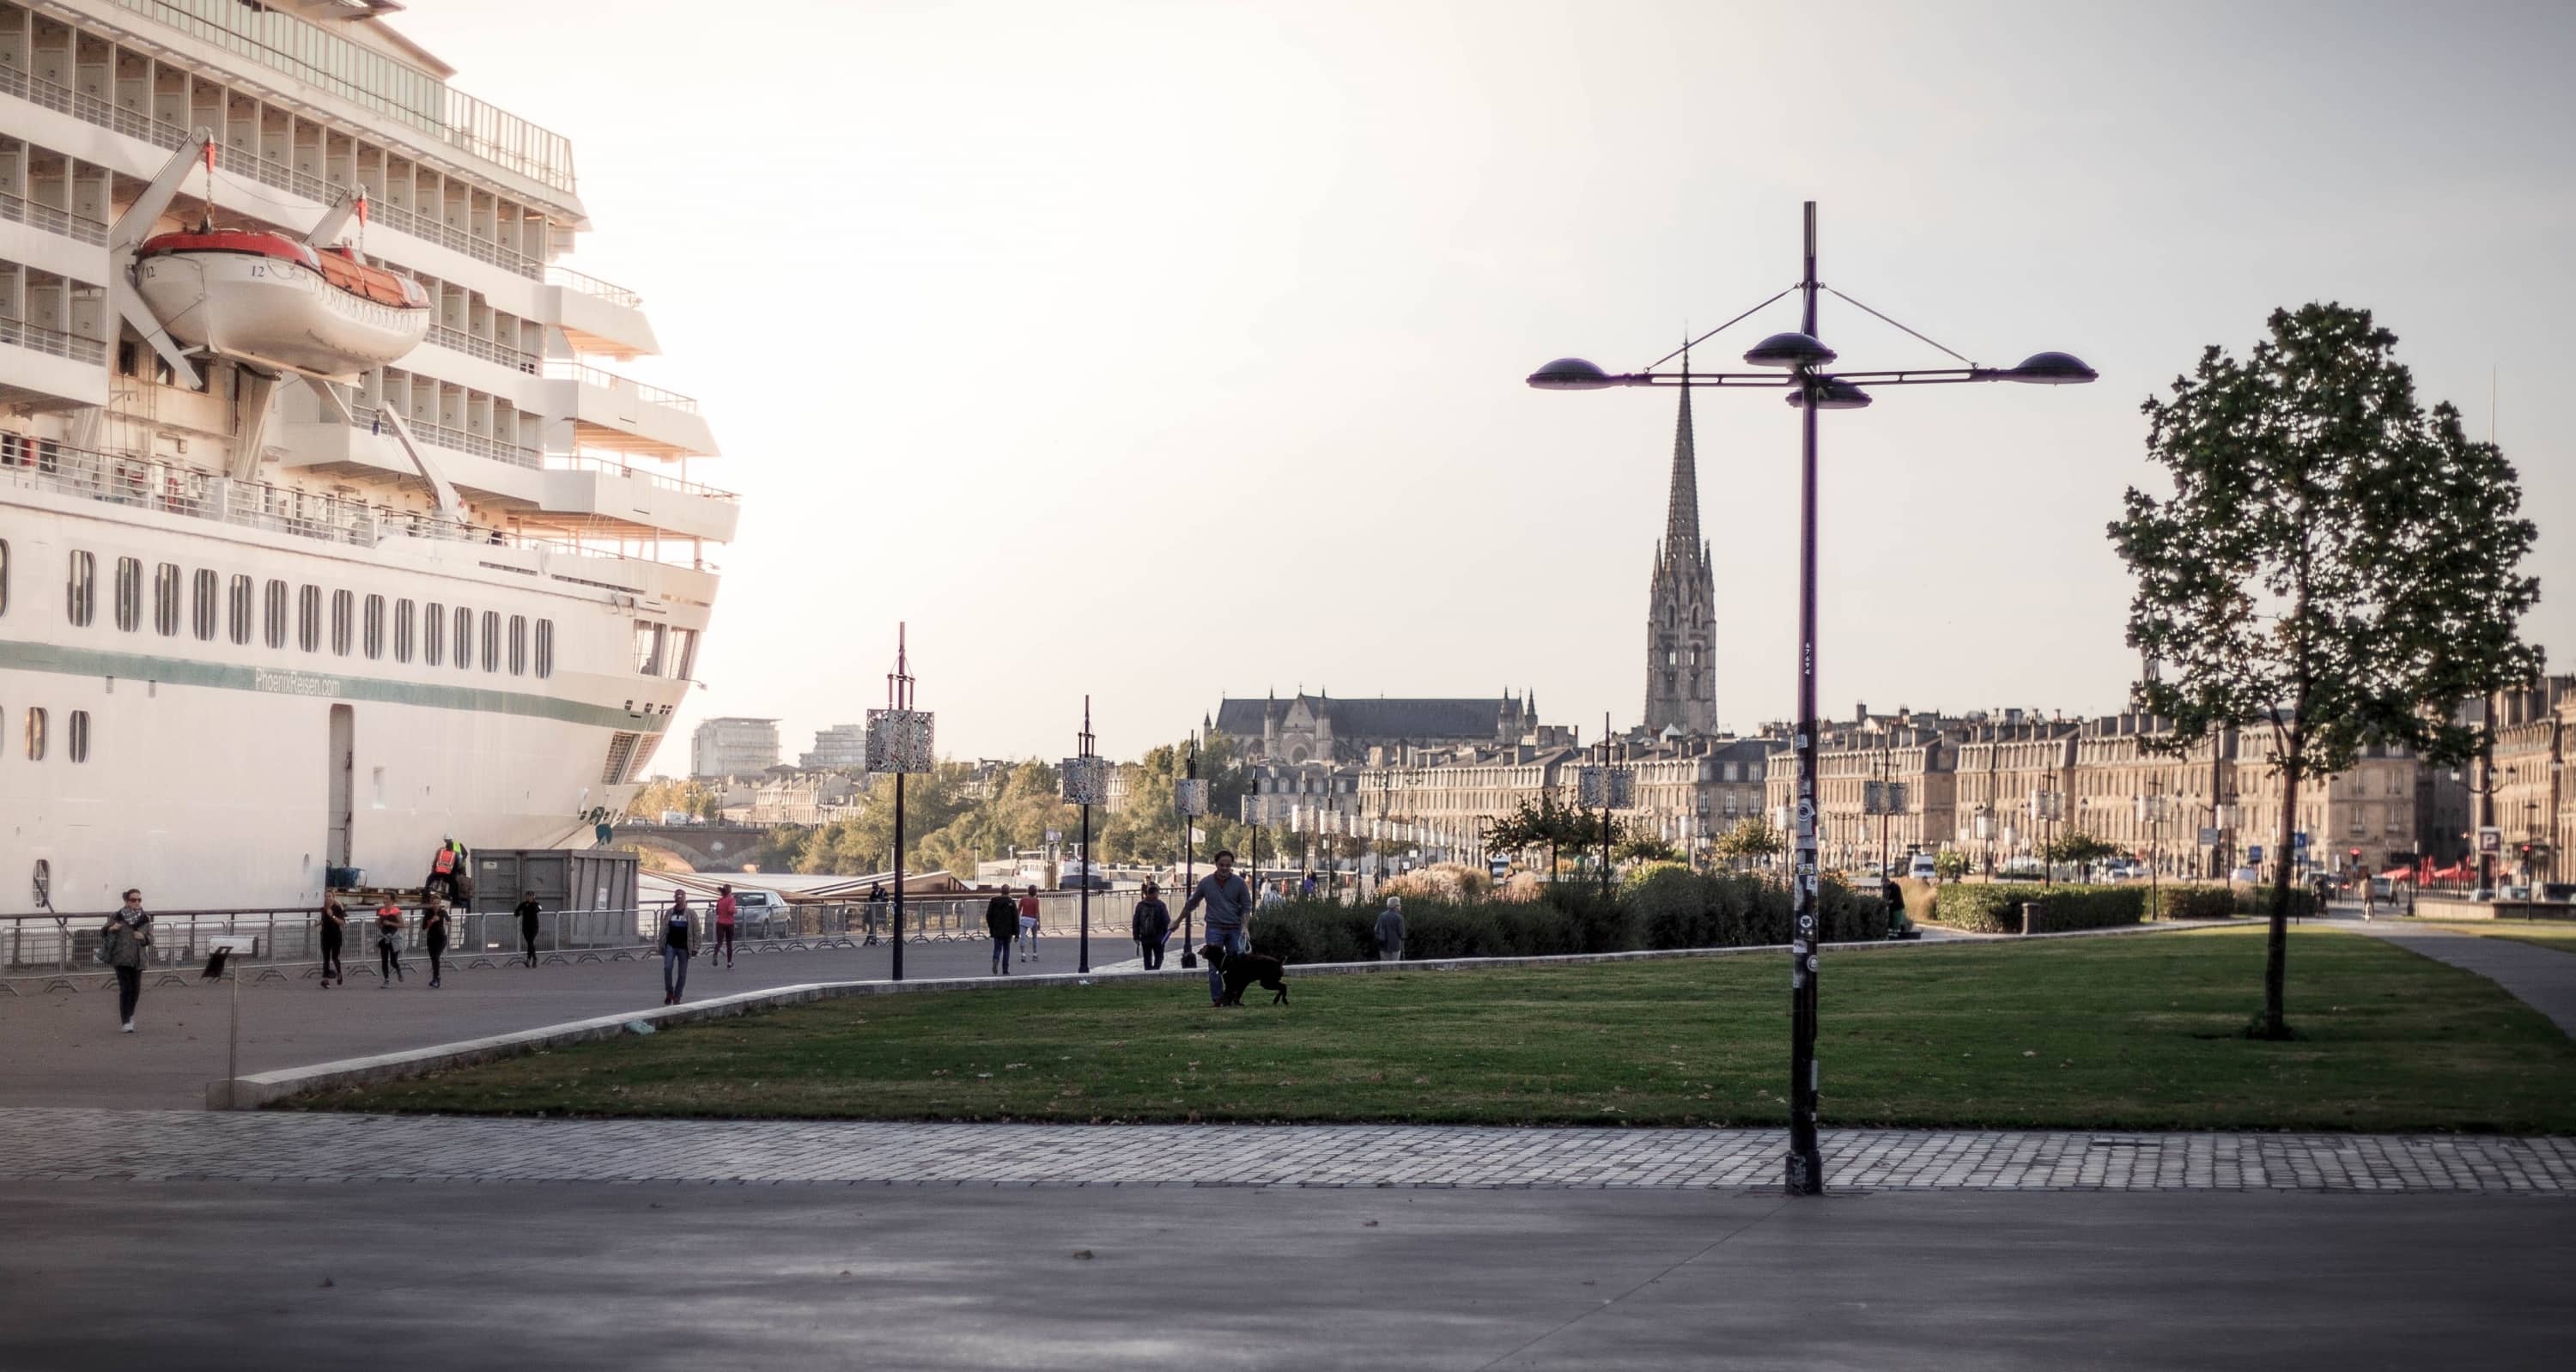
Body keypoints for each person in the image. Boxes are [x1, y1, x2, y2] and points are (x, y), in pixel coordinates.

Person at [1182, 850, 1253, 1008]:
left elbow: (1247, 907)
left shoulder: (1239, 883)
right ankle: (1218, 998)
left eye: (1228, 865)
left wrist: (1245, 927)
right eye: (1222, 865)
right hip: (1214, 928)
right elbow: (1192, 903)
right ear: (1216, 864)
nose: (1225, 868)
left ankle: (1233, 997)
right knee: (1214, 967)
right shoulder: (1206, 883)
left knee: (1237, 966)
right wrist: (1178, 920)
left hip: (1235, 929)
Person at [100, 889, 152, 1033]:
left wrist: (144, 938)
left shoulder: (145, 919)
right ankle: (126, 1021)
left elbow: (151, 939)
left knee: (136, 990)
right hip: (120, 958)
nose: (137, 902)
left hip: (138, 959)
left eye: (139, 900)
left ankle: (130, 1014)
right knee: (126, 989)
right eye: (134, 900)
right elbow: (103, 932)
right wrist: (112, 928)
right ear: (127, 901)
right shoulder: (117, 916)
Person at [660, 893, 694, 1005]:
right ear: (675, 899)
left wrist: (696, 947)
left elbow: (697, 931)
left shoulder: (691, 913)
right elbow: (663, 928)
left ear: (685, 899)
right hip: (671, 945)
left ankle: (677, 996)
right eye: (677, 898)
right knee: (667, 968)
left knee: (682, 974)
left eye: (681, 898)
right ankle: (669, 992)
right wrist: (661, 944)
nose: (679, 900)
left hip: (684, 947)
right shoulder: (670, 912)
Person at [1131, 881, 1171, 970]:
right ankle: (1156, 971)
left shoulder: (1140, 905)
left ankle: (1148, 972)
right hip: (1159, 937)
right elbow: (1166, 921)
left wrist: (1136, 937)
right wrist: (1165, 935)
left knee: (1147, 958)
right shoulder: (1160, 905)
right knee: (1159, 956)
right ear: (1155, 893)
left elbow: (1136, 922)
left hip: (1145, 937)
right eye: (1158, 894)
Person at [984, 888, 1018, 974]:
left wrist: (991, 926)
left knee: (997, 948)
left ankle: (996, 959)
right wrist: (1017, 933)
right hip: (1008, 930)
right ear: (1009, 892)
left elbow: (988, 915)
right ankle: (1005, 970)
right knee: (1006, 950)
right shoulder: (1011, 902)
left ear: (1001, 891)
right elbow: (1015, 918)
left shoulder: (993, 902)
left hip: (997, 929)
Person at [374, 896, 405, 987]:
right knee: (384, 960)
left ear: (392, 901)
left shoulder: (396, 911)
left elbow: (402, 924)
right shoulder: (382, 911)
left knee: (393, 961)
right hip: (384, 937)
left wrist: (390, 923)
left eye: (387, 899)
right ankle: (386, 980)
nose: (384, 900)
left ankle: (398, 969)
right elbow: (380, 923)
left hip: (394, 938)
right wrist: (378, 924)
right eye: (384, 898)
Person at [421, 897, 451, 989]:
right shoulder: (428, 913)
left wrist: (447, 923)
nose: (435, 905)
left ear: (439, 903)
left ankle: (436, 978)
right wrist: (432, 921)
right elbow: (424, 927)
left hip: (441, 938)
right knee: (433, 959)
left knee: (436, 957)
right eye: (434, 903)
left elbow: (449, 921)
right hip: (431, 938)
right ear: (431, 903)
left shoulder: (442, 912)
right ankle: (436, 978)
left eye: (437, 903)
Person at [318, 895, 347, 988]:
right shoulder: (323, 909)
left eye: (329, 896)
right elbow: (325, 920)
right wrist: (320, 922)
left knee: (335, 957)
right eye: (325, 896)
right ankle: (326, 980)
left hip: (335, 936)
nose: (327, 898)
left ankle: (339, 973)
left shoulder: (337, 908)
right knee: (326, 958)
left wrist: (332, 916)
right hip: (325, 935)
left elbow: (342, 922)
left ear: (333, 898)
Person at [514, 890, 542, 968]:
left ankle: (533, 959)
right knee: (530, 943)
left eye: (530, 896)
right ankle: (530, 959)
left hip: (534, 927)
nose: (528, 897)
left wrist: (532, 905)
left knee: (530, 941)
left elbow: (539, 909)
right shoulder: (523, 904)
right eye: (527, 896)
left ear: (533, 897)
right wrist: (520, 913)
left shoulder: (536, 904)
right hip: (525, 927)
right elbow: (516, 912)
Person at [713, 883, 738, 968]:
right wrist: (735, 911)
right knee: (729, 943)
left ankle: (715, 954)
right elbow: (730, 910)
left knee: (719, 942)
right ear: (730, 891)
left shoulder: (720, 900)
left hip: (720, 923)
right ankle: (729, 962)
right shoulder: (732, 900)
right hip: (729, 923)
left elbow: (717, 912)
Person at [1374, 895, 1406, 962]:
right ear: (1395, 906)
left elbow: (1376, 929)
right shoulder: (1399, 917)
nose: (1400, 907)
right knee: (1395, 965)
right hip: (1396, 946)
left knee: (1385, 966)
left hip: (1383, 945)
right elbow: (1401, 933)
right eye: (1399, 905)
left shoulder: (1382, 916)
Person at [1018, 884, 1041, 961]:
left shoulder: (1023, 899)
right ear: (1035, 892)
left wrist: (1017, 920)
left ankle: (1023, 954)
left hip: (1024, 919)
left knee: (1023, 937)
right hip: (1033, 919)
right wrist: (1039, 922)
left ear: (1028, 891)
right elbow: (1037, 912)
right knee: (1034, 937)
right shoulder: (1036, 900)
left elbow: (1019, 910)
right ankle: (1035, 954)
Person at [863, 882, 888, 946]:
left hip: (880, 912)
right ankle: (873, 940)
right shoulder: (873, 893)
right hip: (873, 912)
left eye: (876, 888)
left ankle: (869, 940)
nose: (875, 890)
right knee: (873, 927)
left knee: (873, 927)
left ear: (878, 886)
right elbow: (870, 900)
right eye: (874, 888)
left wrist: (880, 901)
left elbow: (886, 900)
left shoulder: (884, 892)